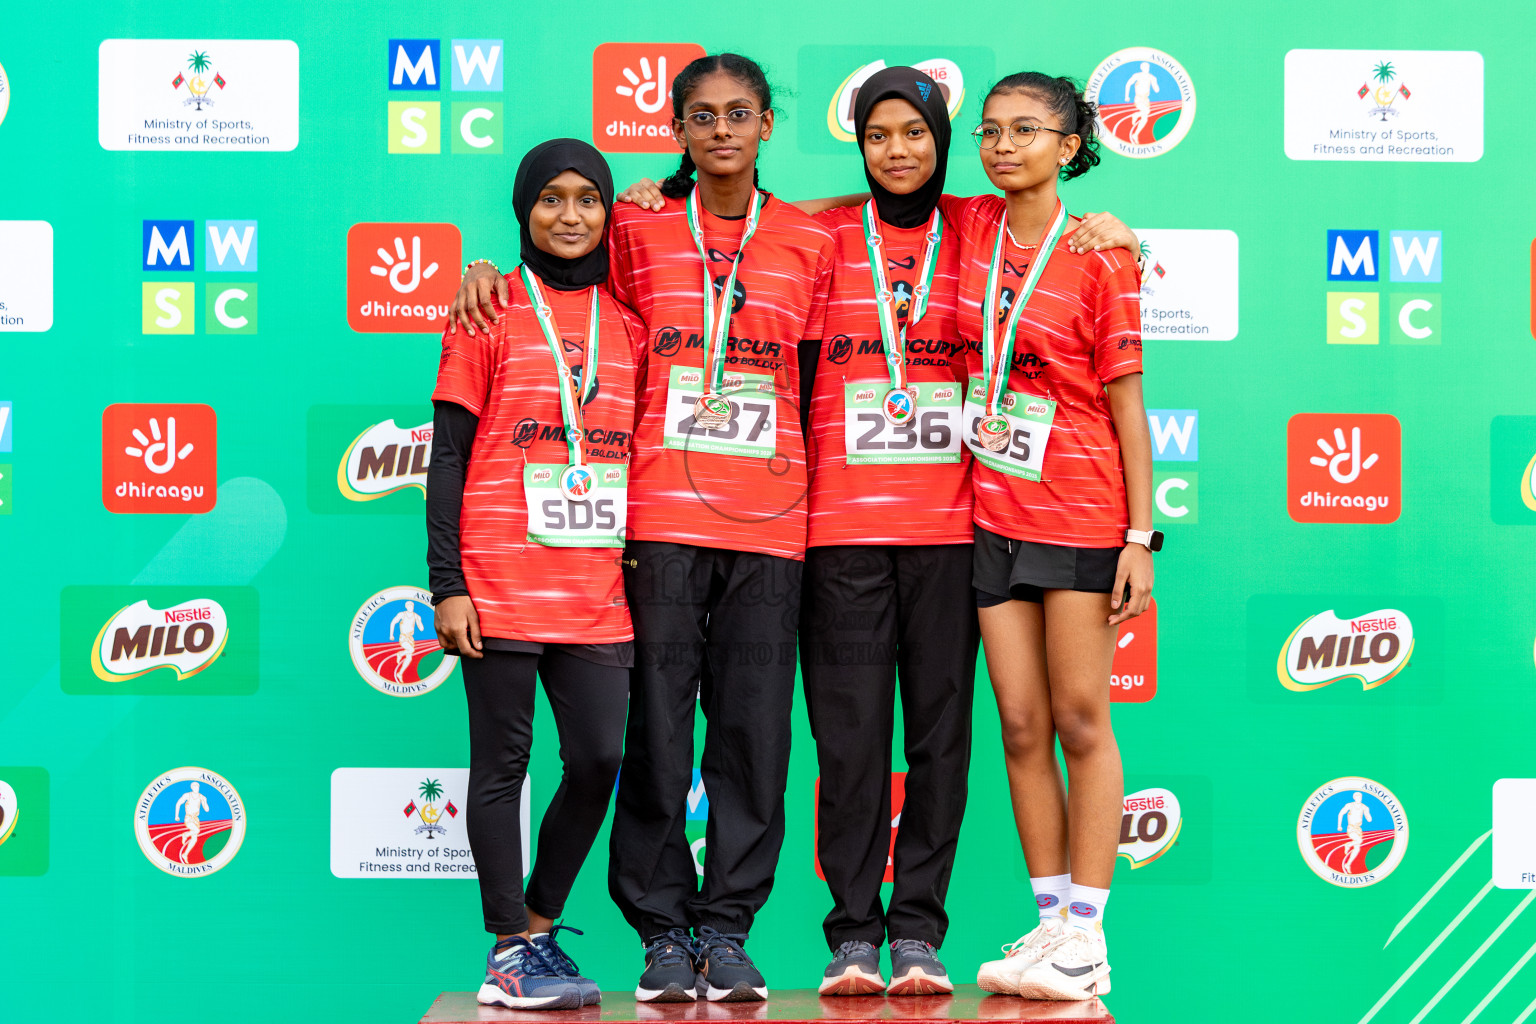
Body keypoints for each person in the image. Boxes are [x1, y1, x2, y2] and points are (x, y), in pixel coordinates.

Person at [611, 70, 1138, 998]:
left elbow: (1061, 225)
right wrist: (670, 186)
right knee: (849, 743)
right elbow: (753, 213)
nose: (898, 152)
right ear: (858, 148)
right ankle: (853, 933)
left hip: (954, 533)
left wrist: (1125, 228)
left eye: (917, 135)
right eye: (878, 137)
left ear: (943, 143)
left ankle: (920, 935)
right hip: (838, 535)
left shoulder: (977, 226)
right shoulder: (818, 234)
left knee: (944, 743)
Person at [450, 53, 834, 1005]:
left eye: (738, 113)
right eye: (700, 116)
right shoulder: (636, 226)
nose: (720, 130)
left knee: (753, 739)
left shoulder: (812, 240)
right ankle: (662, 933)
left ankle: (728, 930)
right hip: (653, 527)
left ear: (766, 126)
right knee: (653, 739)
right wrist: (481, 271)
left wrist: (1103, 223)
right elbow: (555, 260)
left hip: (769, 529)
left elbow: (825, 375)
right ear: (676, 129)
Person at [428, 139, 642, 1011]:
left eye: (587, 198)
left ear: (606, 212)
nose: (568, 215)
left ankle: (541, 926)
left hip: (595, 589)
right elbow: (446, 457)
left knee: (597, 758)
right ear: (524, 211)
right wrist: (447, 582)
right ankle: (507, 947)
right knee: (501, 765)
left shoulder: (627, 326)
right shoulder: (486, 313)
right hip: (497, 577)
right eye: (549, 198)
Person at [957, 73, 1155, 1003]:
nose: (1003, 146)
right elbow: (862, 204)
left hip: (1079, 513)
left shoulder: (1101, 255)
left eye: (1026, 131)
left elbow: (1130, 406)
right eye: (989, 131)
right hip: (992, 516)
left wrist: (1138, 536)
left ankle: (1089, 934)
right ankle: (1047, 928)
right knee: (1022, 725)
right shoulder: (968, 230)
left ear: (1071, 146)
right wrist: (665, 190)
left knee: (1081, 720)